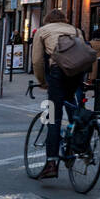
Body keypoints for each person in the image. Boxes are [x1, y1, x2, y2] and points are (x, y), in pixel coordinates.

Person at [31, 9, 91, 180]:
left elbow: (36, 60)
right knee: (71, 101)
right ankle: (77, 140)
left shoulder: (42, 31)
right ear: (64, 20)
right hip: (76, 73)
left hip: (57, 74)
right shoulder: (75, 30)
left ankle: (51, 163)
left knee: (53, 118)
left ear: (47, 20)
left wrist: (43, 81)